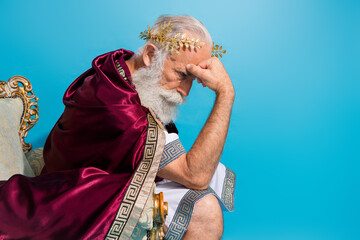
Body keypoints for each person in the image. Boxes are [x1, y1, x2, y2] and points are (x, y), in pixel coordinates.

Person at [0, 15, 235, 240]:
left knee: (207, 192)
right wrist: (225, 94)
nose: (185, 92)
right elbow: (195, 175)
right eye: (182, 75)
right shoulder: (117, 107)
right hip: (73, 195)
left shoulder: (123, 72)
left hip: (106, 179)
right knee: (205, 209)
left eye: (192, 80)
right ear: (151, 56)